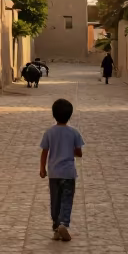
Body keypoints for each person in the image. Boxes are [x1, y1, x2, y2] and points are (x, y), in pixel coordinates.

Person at [39, 98, 84, 242]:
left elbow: (44, 152)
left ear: (54, 114)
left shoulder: (49, 132)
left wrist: (42, 168)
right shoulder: (74, 133)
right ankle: (63, 223)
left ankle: (56, 226)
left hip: (54, 173)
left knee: (55, 200)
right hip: (68, 174)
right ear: (70, 115)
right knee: (67, 199)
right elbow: (79, 152)